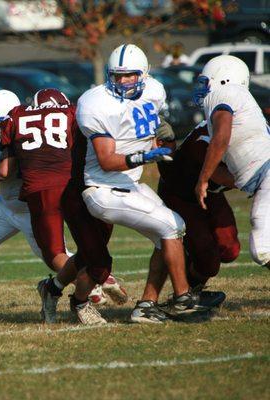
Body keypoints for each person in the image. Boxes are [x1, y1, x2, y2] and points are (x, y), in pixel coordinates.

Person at [76, 44, 214, 322]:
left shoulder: (154, 91)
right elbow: (106, 160)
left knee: (168, 237)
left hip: (130, 185)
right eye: (117, 76)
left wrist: (159, 137)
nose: (123, 82)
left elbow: (147, 127)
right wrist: (145, 156)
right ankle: (183, 298)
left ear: (145, 74)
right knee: (172, 224)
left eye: (130, 76)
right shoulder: (95, 103)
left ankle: (147, 305)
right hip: (103, 190)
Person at [0, 89, 124, 310]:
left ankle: (96, 280)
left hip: (30, 207)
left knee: (52, 256)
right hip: (6, 205)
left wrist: (0, 171)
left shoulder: (23, 131)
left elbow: (8, 170)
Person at [0, 88, 123, 325]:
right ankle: (86, 294)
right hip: (75, 185)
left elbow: (6, 170)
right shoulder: (73, 112)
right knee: (95, 252)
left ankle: (57, 289)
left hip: (40, 189)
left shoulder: (16, 116)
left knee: (57, 252)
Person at [193, 54, 270, 270]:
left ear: (223, 79)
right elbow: (238, 175)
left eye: (205, 81)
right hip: (264, 175)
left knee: (263, 249)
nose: (202, 88)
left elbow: (221, 138)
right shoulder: (240, 98)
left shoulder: (223, 93)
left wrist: (203, 180)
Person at [154, 121, 239, 310]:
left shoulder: (250, 127)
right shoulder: (203, 141)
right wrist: (260, 178)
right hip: (181, 194)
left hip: (210, 194)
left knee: (229, 249)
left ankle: (191, 282)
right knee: (208, 262)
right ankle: (186, 295)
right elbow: (223, 177)